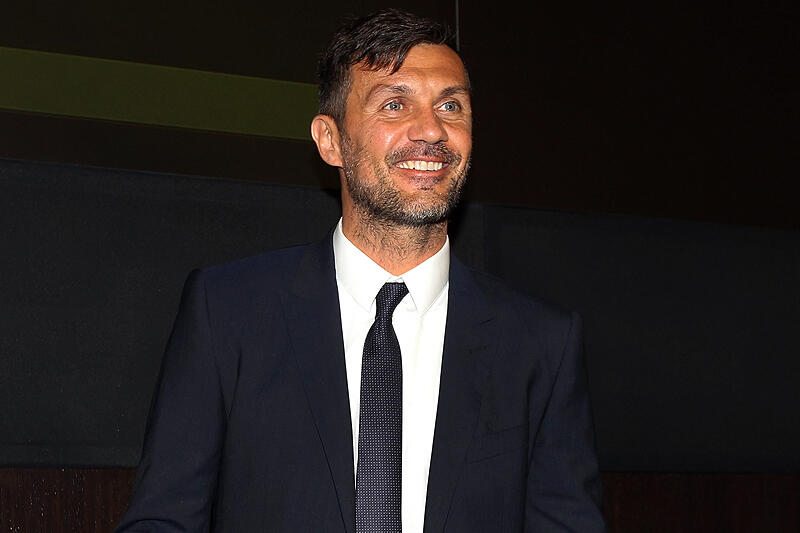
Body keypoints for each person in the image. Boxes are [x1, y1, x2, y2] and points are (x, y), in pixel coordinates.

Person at [115, 8, 605, 533]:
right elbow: (162, 520)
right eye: (395, 104)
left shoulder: (540, 342)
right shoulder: (228, 312)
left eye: (451, 106)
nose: (432, 129)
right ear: (330, 141)